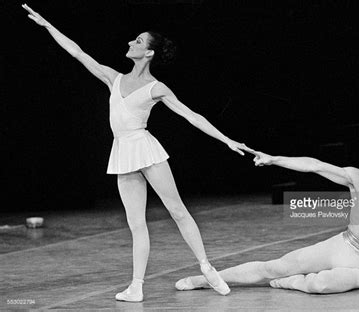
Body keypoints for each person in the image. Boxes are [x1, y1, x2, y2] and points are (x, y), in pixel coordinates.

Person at [22, 3, 254, 301]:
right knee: (136, 224)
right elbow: (77, 52)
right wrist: (47, 25)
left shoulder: (156, 88)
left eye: (139, 41)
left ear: (149, 53)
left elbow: (191, 116)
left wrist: (226, 140)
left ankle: (207, 268)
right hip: (123, 152)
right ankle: (136, 286)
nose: (131, 42)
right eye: (134, 39)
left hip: (145, 148)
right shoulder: (113, 77)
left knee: (177, 210)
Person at [175, 138, 359, 294]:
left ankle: (293, 282)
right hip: (342, 244)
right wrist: (274, 159)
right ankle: (204, 280)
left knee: (319, 284)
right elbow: (314, 165)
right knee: (273, 266)